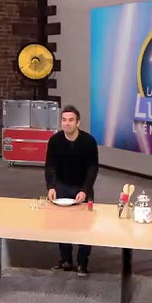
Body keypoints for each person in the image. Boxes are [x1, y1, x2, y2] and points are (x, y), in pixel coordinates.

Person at [45, 105, 99, 277]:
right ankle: (66, 259)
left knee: (85, 226)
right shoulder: (55, 141)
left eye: (70, 120)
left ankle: (82, 263)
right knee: (62, 225)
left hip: (82, 187)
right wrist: (51, 186)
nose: (67, 123)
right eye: (64, 120)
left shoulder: (88, 141)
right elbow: (49, 166)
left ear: (78, 122)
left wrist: (85, 190)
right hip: (61, 186)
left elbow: (93, 168)